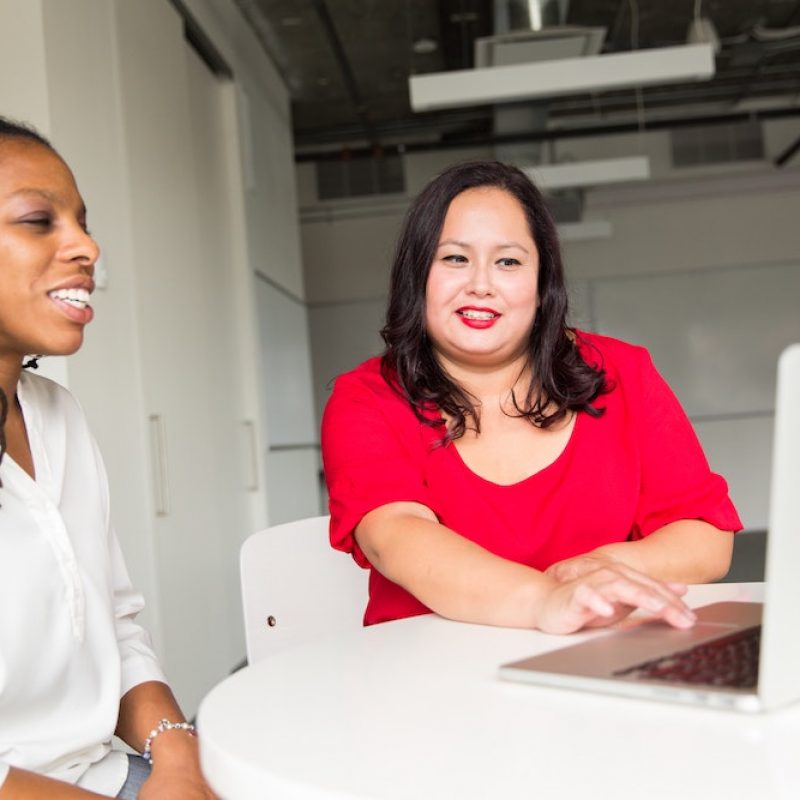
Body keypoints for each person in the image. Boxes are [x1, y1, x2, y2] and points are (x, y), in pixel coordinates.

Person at [322, 160, 742, 635]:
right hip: (430, 682)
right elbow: (396, 537)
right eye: (455, 258)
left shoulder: (623, 373)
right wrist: (545, 599)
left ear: (543, 285)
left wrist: (591, 573)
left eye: (509, 261)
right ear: (417, 275)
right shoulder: (366, 400)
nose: (481, 284)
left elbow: (705, 539)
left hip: (598, 661)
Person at [0, 117, 215, 798]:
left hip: (111, 773)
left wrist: (179, 757)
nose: (87, 246)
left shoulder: (59, 416)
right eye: (39, 221)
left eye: (83, 222)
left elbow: (113, 625)